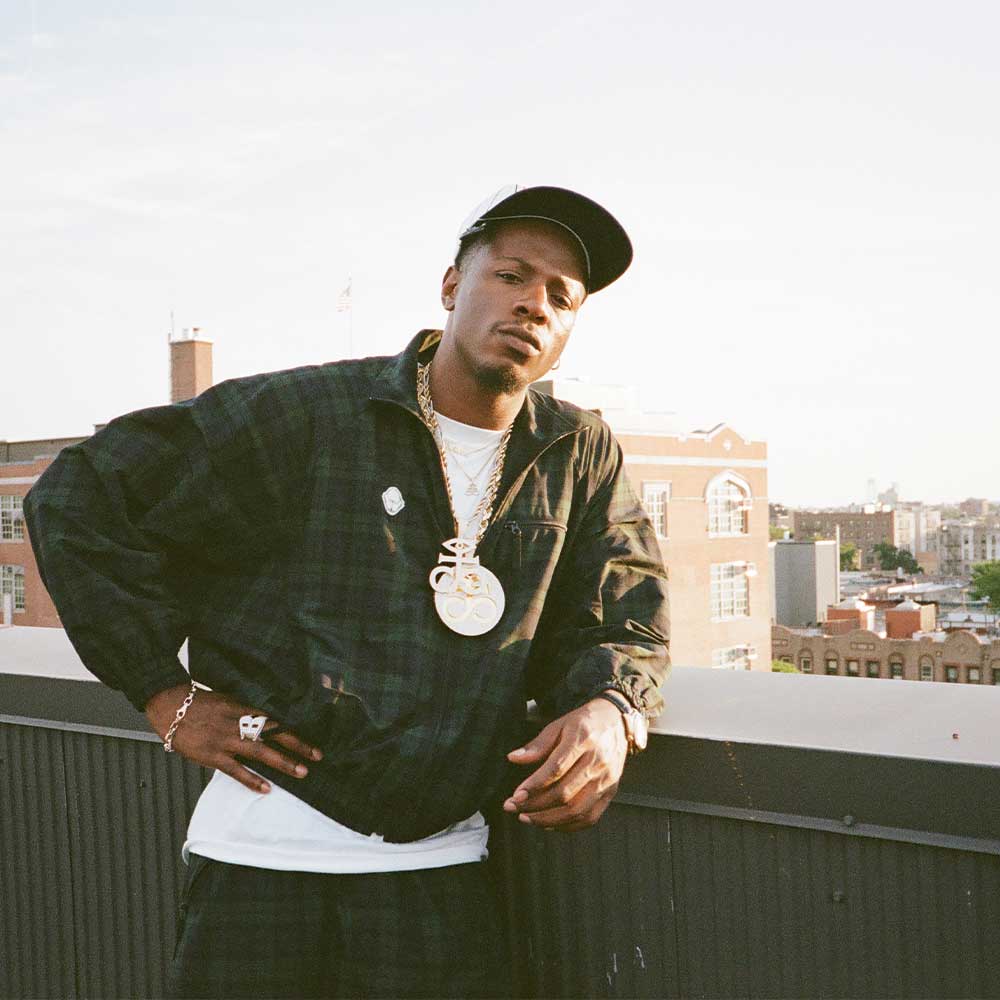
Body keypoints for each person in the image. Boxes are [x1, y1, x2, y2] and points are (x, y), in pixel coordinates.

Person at [24, 184, 670, 998]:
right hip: (261, 856)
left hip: (442, 866)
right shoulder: (315, 411)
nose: (533, 303)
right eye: (510, 275)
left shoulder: (576, 450)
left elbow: (627, 604)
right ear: (450, 286)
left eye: (561, 296)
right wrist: (164, 694)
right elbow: (80, 492)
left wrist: (613, 709)